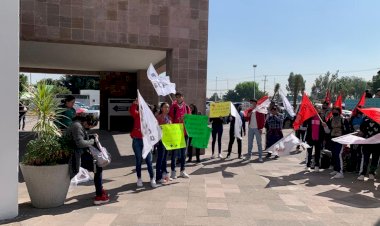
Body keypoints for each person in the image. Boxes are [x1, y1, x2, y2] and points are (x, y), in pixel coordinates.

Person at [66, 113, 109, 205]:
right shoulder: (77, 126)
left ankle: (99, 191)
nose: (88, 127)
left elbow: (79, 138)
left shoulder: (78, 124)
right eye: (89, 125)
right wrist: (91, 141)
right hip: (75, 155)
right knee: (97, 168)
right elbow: (80, 143)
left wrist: (91, 136)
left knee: (97, 168)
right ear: (86, 121)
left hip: (77, 153)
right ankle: (99, 195)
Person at [130, 99, 157, 188]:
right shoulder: (137, 115)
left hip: (147, 142)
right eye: (142, 108)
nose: (143, 110)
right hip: (137, 140)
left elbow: (154, 131)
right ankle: (139, 178)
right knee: (138, 160)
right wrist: (134, 104)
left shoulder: (151, 119)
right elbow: (132, 111)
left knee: (149, 161)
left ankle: (152, 178)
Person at [323, 106, 350, 179]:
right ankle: (336, 169)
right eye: (333, 111)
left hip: (340, 139)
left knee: (338, 154)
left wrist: (345, 142)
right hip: (333, 139)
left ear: (339, 111)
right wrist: (325, 126)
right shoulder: (331, 119)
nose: (334, 112)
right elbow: (328, 131)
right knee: (334, 154)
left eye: (335, 111)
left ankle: (340, 172)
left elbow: (347, 131)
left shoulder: (343, 120)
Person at [168, 92, 190, 179]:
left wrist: (186, 118)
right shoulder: (173, 107)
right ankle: (173, 171)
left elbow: (190, 118)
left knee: (183, 153)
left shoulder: (187, 107)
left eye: (179, 97)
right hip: (176, 132)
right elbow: (170, 118)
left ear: (182, 97)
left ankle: (182, 171)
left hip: (185, 133)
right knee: (174, 153)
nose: (178, 98)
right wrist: (177, 119)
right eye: (176, 97)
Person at [303, 107, 325, 172]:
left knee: (317, 153)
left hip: (318, 138)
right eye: (314, 109)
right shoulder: (309, 117)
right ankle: (308, 166)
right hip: (310, 138)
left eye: (317, 109)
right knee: (309, 152)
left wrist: (324, 125)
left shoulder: (321, 117)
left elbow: (324, 128)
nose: (316, 110)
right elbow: (304, 124)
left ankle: (317, 166)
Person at [357, 116, 380, 181]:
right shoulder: (365, 122)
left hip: (377, 146)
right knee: (365, 159)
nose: (372, 118)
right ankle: (362, 174)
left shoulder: (379, 123)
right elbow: (361, 132)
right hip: (366, 145)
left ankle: (372, 173)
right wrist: (359, 133)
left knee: (375, 160)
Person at [155, 102, 171, 183]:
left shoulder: (168, 117)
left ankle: (164, 175)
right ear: (161, 108)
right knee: (160, 159)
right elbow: (156, 128)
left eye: (168, 107)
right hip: (161, 141)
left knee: (164, 159)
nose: (167, 109)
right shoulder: (158, 117)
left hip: (167, 141)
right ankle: (158, 177)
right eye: (165, 107)